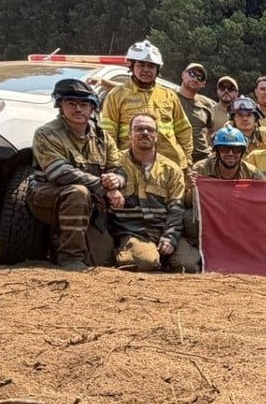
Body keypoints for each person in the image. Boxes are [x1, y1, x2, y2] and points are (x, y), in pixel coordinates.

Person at [27, 79, 126, 269]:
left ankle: (65, 242)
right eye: (71, 104)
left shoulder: (102, 137)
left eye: (84, 104)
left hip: (90, 203)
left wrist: (117, 181)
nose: (78, 109)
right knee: (78, 192)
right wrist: (103, 187)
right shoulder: (46, 133)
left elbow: (118, 167)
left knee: (101, 259)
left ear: (93, 108)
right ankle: (70, 258)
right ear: (60, 106)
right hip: (47, 198)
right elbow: (59, 173)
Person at [112, 113, 200, 273]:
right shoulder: (115, 163)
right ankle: (122, 251)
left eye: (150, 130)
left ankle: (161, 254)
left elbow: (176, 208)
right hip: (131, 231)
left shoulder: (171, 169)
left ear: (156, 136)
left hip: (162, 229)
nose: (145, 133)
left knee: (187, 267)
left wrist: (170, 237)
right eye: (139, 129)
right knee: (145, 262)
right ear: (129, 134)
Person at [102, 40, 193, 170]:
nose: (146, 70)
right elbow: (108, 133)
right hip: (130, 166)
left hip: (170, 166)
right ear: (132, 66)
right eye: (141, 65)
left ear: (157, 70)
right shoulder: (116, 95)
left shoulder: (169, 95)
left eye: (151, 66)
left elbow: (183, 130)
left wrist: (187, 161)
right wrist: (114, 164)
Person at [177, 63, 214, 163]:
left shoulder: (207, 104)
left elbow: (211, 131)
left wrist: (210, 148)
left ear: (203, 83)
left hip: (202, 158)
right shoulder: (170, 98)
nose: (195, 79)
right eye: (192, 74)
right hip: (177, 156)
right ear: (183, 74)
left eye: (200, 77)